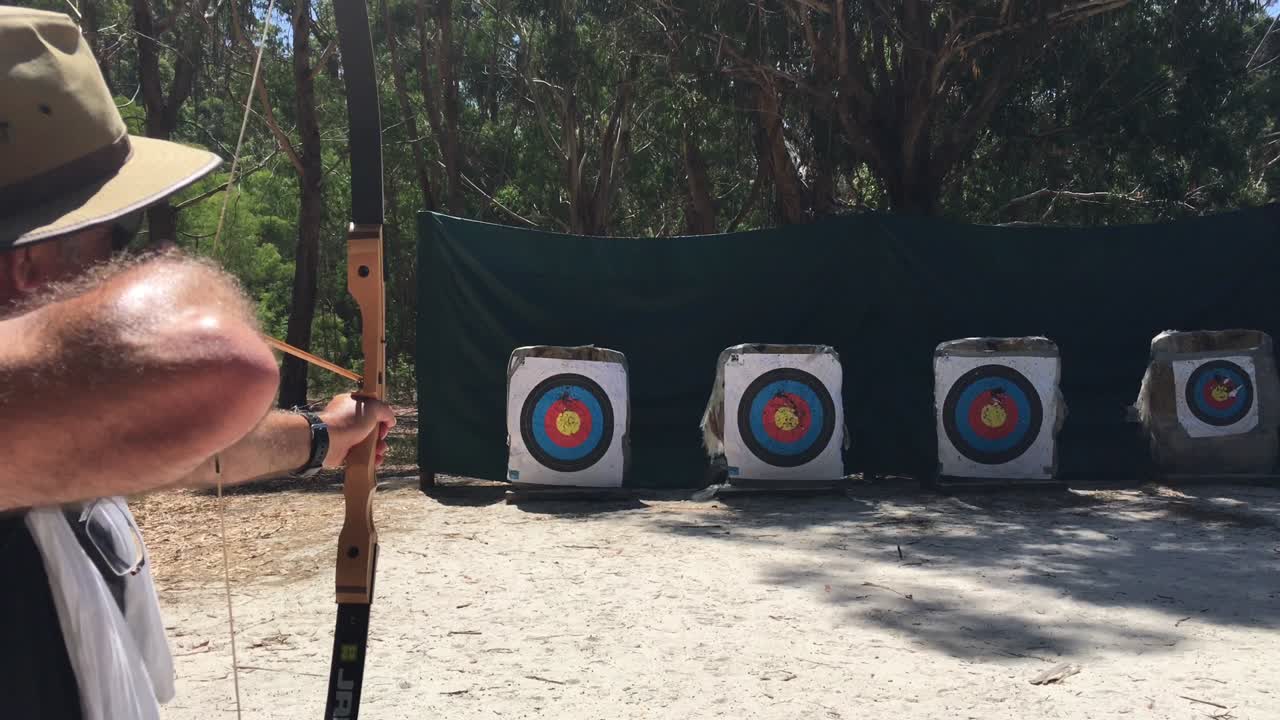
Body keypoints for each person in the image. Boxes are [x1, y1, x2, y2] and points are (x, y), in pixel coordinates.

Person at [0, 7, 395, 719]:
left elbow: (181, 448)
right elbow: (212, 364)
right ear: (30, 266)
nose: (122, 262)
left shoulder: (37, 427)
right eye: (109, 237)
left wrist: (324, 437)